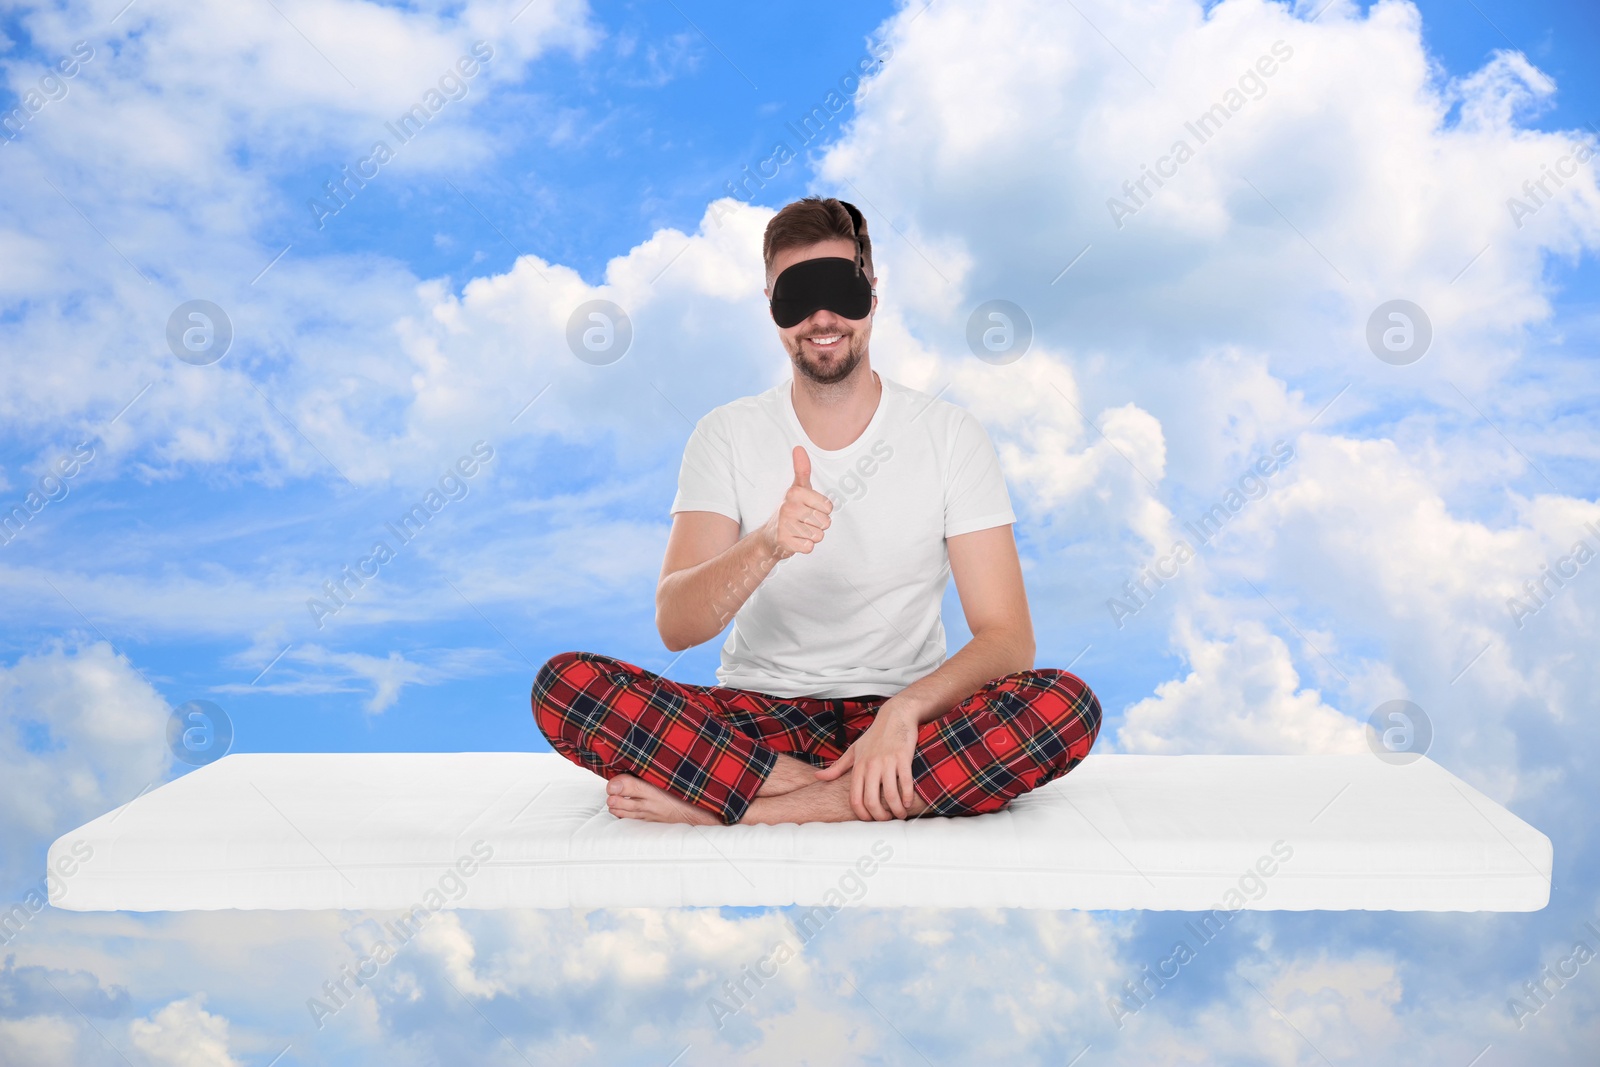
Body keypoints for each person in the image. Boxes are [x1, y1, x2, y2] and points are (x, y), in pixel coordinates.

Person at [532, 196, 1100, 826]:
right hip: (757, 721)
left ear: (873, 296)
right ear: (773, 311)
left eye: (839, 289)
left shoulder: (950, 434)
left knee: (1065, 705)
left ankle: (754, 808)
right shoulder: (725, 434)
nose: (821, 316)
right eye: (797, 296)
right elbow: (677, 626)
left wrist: (904, 712)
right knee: (568, 687)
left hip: (899, 718)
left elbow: (1008, 637)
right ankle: (829, 790)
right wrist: (767, 543)